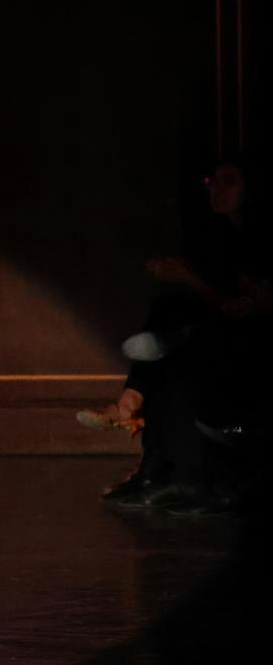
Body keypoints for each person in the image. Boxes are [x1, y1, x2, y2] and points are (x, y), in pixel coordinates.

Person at [88, 153, 270, 512]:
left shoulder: (260, 241)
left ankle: (131, 406)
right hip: (222, 334)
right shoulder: (220, 238)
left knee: (179, 342)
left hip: (254, 344)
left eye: (229, 182)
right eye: (212, 182)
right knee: (171, 315)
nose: (217, 189)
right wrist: (182, 274)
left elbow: (240, 310)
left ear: (250, 189)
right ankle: (151, 469)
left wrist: (188, 278)